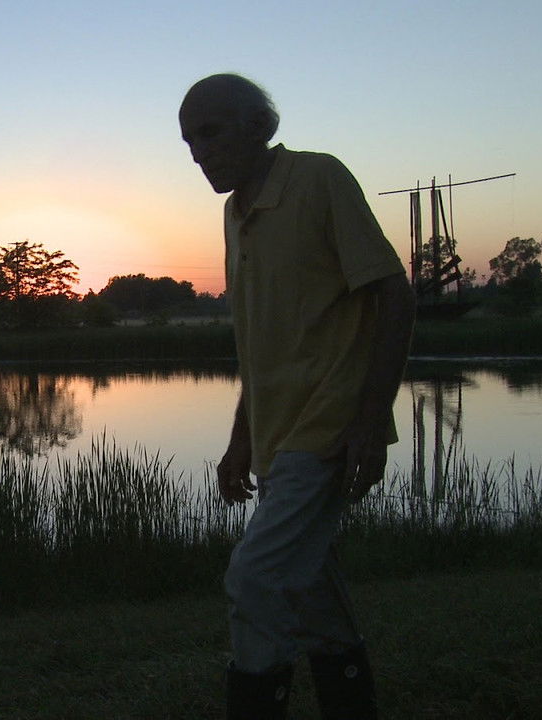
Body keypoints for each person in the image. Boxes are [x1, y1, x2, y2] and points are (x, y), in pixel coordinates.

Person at [178, 74, 416, 719]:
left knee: (255, 579)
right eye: (189, 141)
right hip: (277, 435)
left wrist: (371, 419)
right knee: (310, 584)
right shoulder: (235, 214)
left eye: (210, 132)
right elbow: (262, 344)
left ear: (260, 126)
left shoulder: (318, 180)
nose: (198, 152)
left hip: (329, 424)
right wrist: (239, 441)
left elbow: (393, 294)